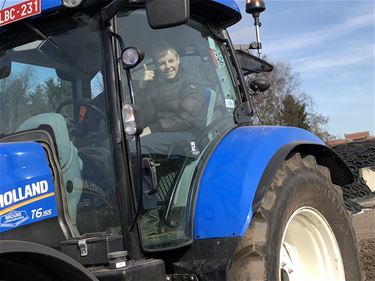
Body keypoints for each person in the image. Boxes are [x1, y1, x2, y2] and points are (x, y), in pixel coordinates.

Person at [137, 42, 207, 157]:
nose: (168, 66)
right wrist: (142, 86)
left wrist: (152, 129)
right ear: (156, 66)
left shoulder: (191, 80)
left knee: (136, 148)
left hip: (189, 133)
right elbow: (140, 108)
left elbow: (188, 118)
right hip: (163, 130)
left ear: (178, 60)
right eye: (162, 63)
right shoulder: (154, 82)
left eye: (171, 61)